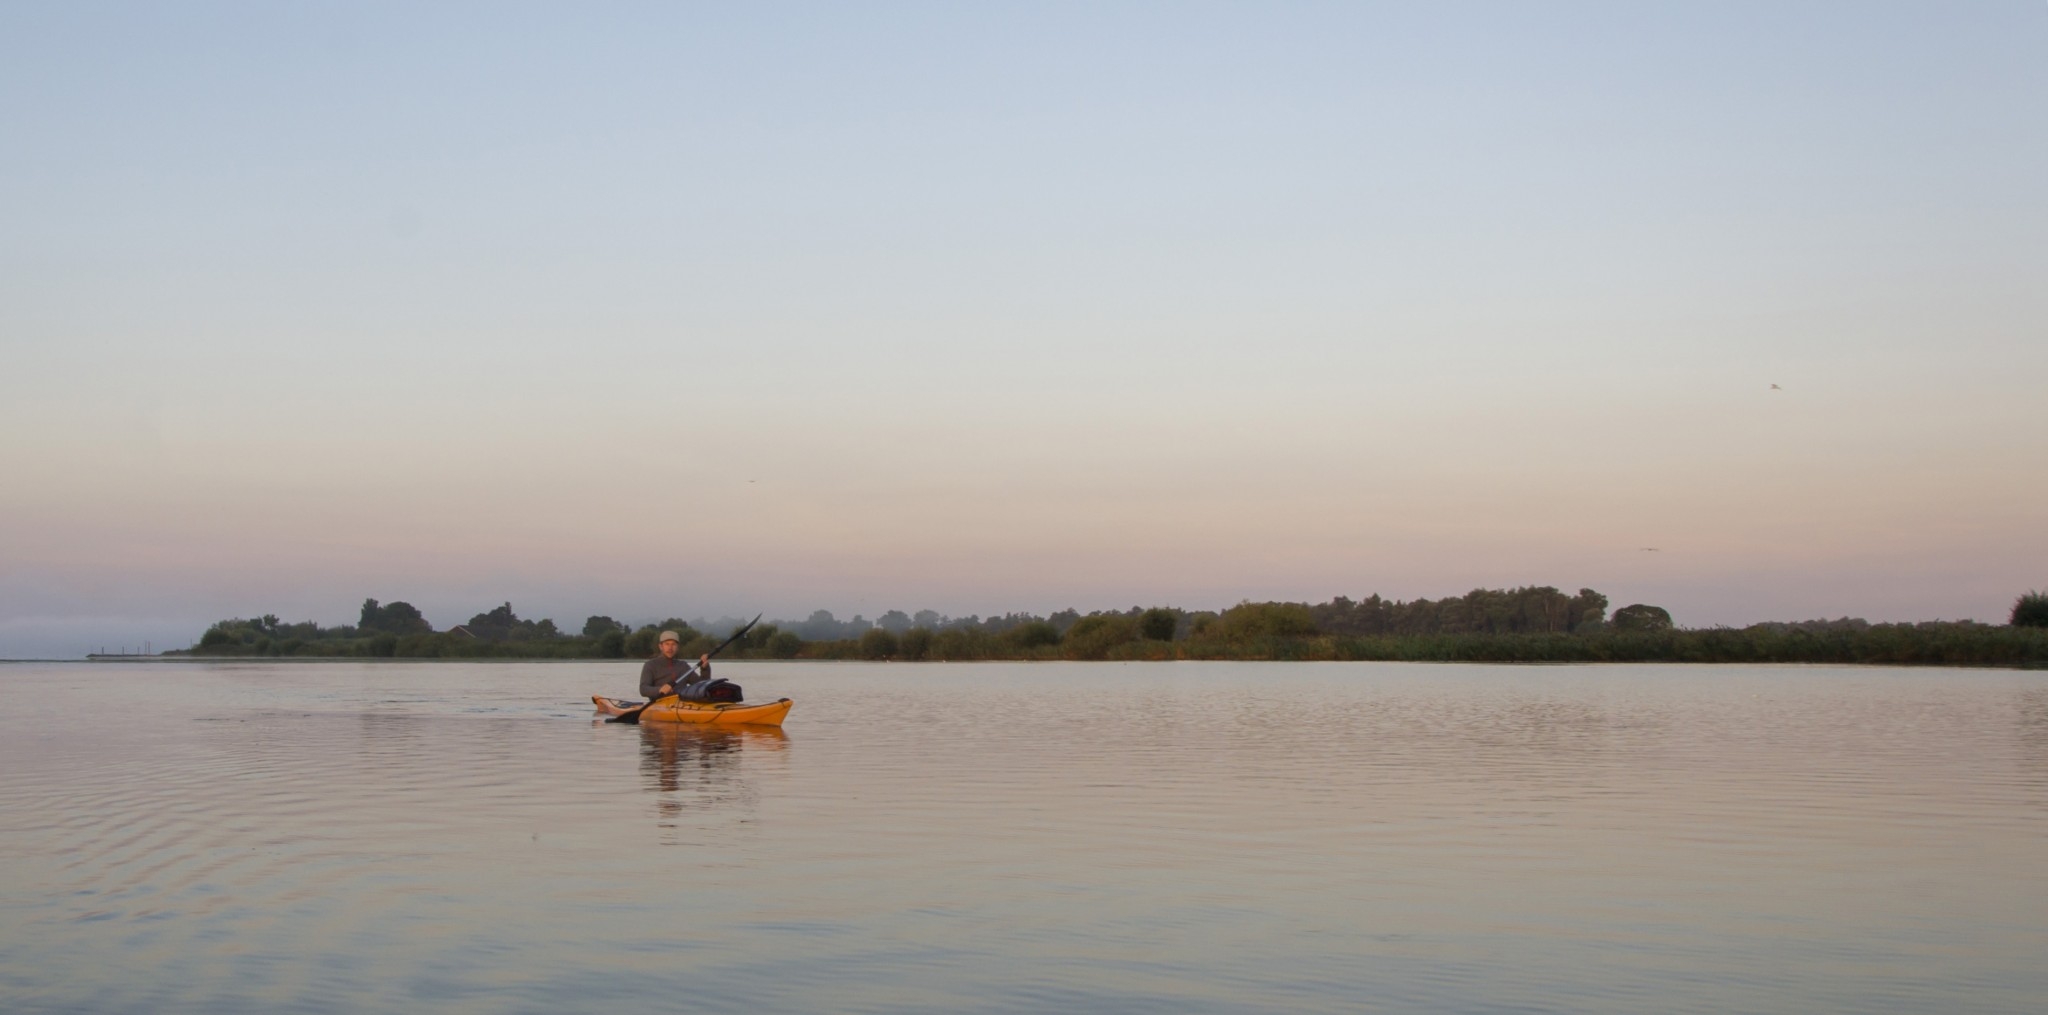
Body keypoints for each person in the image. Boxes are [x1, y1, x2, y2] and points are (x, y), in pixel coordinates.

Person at [639, 631, 710, 701]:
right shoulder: (650, 665)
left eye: (673, 644)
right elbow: (643, 689)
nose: (670, 648)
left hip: (682, 705)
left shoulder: (683, 666)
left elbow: (702, 686)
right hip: (659, 705)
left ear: (677, 647)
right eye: (667, 644)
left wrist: (705, 668)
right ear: (661, 646)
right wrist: (659, 689)